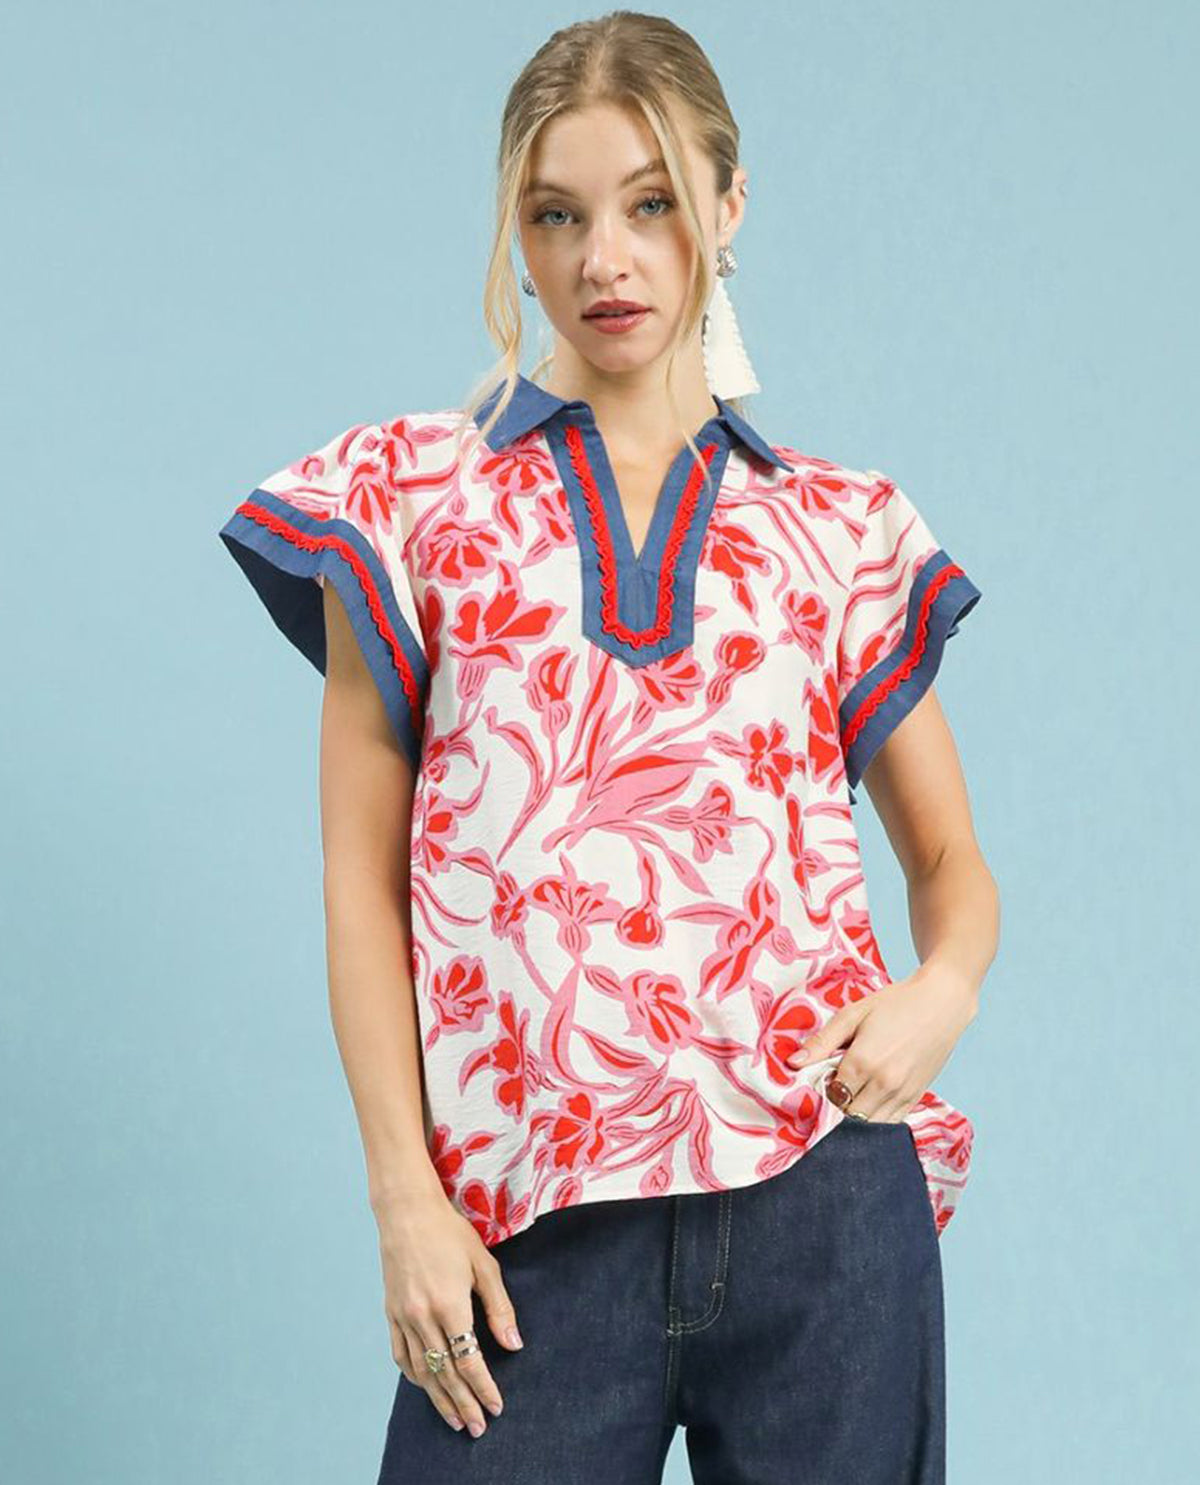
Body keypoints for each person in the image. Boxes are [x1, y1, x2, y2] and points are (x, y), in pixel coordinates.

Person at [217, 11, 999, 1483]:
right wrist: (403, 1195)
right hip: (530, 1231)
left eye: (650, 203)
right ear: (516, 232)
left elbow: (953, 861)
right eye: (558, 215)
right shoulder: (404, 502)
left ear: (730, 203)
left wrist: (942, 988)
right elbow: (358, 884)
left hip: (822, 1206)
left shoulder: (839, 529)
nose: (605, 261)